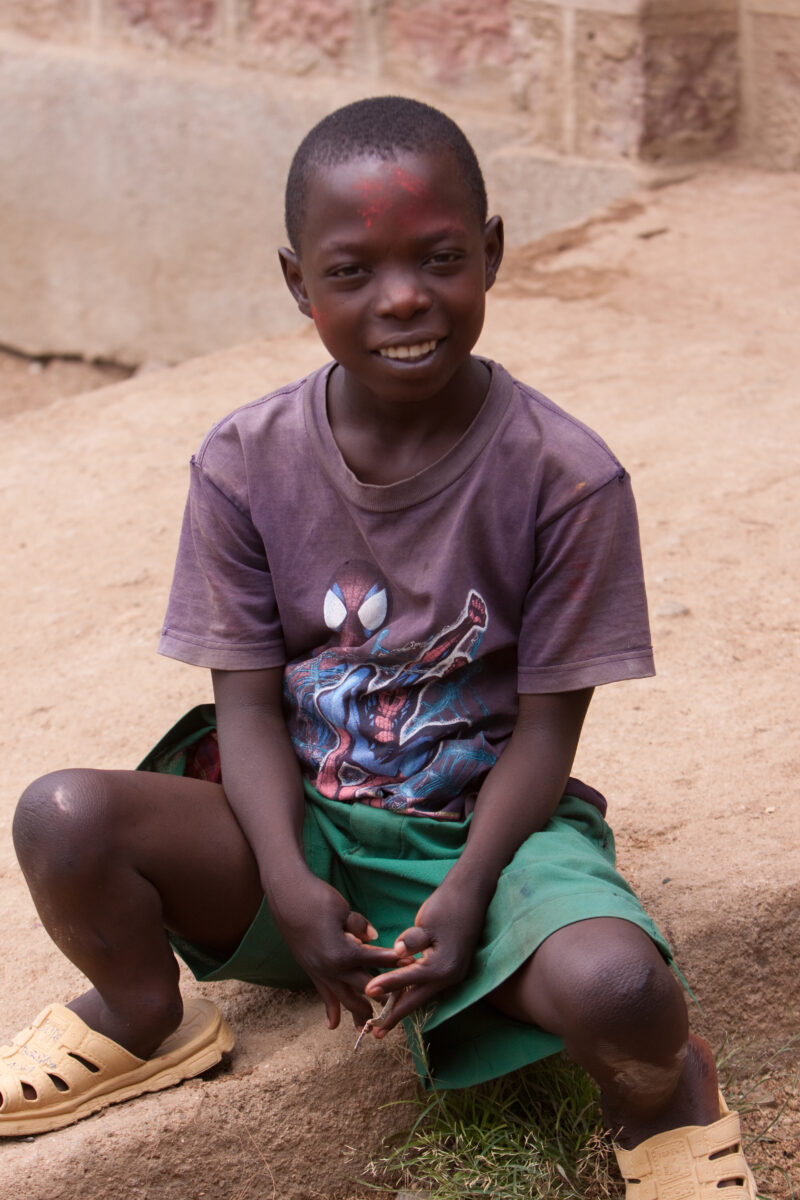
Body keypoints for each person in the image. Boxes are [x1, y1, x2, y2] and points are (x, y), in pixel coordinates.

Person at [0, 96, 756, 1199]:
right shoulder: (245, 461)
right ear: (297, 283)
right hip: (299, 820)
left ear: (491, 253)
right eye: (351, 272)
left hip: (488, 836)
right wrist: (289, 880)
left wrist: (464, 891)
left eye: (440, 257)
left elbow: (547, 730)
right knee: (61, 818)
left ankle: (663, 1100)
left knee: (619, 994)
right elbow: (248, 707)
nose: (403, 298)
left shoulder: (563, 477)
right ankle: (143, 1014)